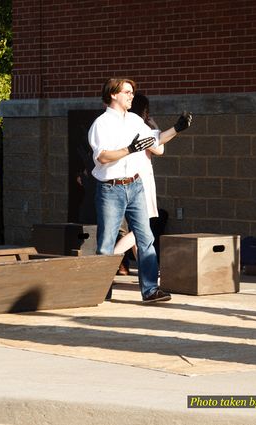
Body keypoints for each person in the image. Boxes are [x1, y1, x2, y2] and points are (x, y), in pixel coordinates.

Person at [88, 78, 192, 303]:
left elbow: (155, 142)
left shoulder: (135, 120)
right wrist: (129, 149)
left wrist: (177, 129)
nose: (131, 96)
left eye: (132, 92)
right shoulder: (101, 124)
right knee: (106, 243)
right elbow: (103, 156)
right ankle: (100, 291)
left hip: (135, 185)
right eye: (126, 92)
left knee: (145, 238)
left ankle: (150, 290)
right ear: (113, 95)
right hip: (110, 188)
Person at [113, 93, 175, 265]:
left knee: (137, 228)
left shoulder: (122, 125)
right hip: (141, 182)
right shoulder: (141, 127)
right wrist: (155, 127)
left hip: (126, 180)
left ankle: (144, 269)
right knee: (141, 229)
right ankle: (111, 258)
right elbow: (159, 149)